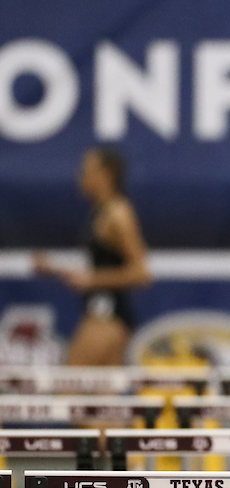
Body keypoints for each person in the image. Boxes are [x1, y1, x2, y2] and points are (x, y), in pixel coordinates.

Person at [32, 147, 150, 366]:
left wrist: (93, 280)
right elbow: (99, 267)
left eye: (87, 170)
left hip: (107, 318)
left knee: (68, 389)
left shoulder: (118, 214)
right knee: (103, 398)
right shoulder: (101, 212)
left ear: (108, 173)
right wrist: (54, 268)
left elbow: (141, 273)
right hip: (102, 315)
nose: (80, 176)